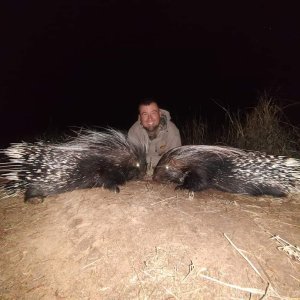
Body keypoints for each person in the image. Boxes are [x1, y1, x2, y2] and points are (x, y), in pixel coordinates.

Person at [128, 97, 182, 175]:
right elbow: (133, 160)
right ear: (140, 117)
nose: (150, 119)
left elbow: (175, 160)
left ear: (159, 114)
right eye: (145, 114)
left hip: (164, 173)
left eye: (153, 113)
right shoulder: (134, 131)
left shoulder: (172, 130)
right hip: (142, 174)